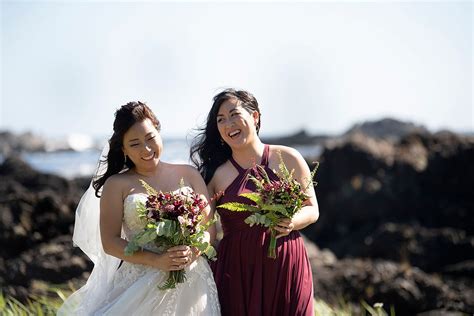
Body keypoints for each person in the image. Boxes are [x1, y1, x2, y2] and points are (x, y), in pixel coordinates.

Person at [58, 101, 220, 315]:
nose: (146, 149)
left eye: (151, 138)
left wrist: (192, 252)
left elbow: (209, 228)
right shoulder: (116, 185)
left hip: (192, 279)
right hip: (139, 281)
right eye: (134, 144)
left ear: (159, 133)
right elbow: (110, 242)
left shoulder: (189, 174)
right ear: (123, 149)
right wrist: (156, 260)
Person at [190, 89, 319, 316]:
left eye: (234, 115)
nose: (228, 124)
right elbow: (208, 233)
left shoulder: (289, 158)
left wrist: (291, 221)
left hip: (286, 262)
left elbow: (312, 208)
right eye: (221, 120)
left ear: (255, 117)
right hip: (237, 270)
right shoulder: (213, 176)